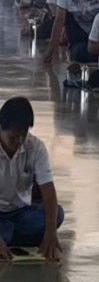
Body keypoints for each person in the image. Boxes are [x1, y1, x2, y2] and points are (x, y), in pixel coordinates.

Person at [0, 97, 63, 261]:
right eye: (13, 137)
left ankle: (9, 236)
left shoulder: (36, 147)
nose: (19, 141)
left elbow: (48, 190)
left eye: (23, 135)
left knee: (57, 214)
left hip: (22, 213)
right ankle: (14, 236)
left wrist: (51, 233)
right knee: (6, 230)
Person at [44, 0, 99, 66]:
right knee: (78, 54)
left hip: (94, 37)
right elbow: (59, 21)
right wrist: (50, 50)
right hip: (78, 37)